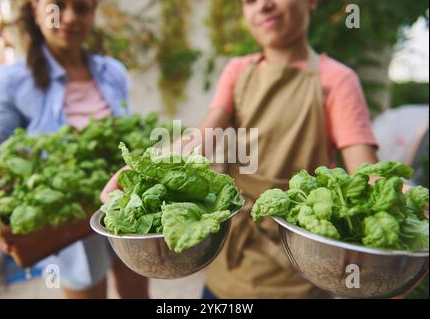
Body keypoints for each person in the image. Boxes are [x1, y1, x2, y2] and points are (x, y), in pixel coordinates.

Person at [102, 0, 383, 299]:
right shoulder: (237, 71)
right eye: (249, 1)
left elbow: (367, 173)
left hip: (299, 272)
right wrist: (147, 165)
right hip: (230, 267)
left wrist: (402, 200)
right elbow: (205, 136)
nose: (263, 6)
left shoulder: (337, 81)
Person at [0, 0, 148, 299]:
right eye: (58, 6)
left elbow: (131, 134)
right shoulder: (12, 81)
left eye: (82, 8)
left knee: (136, 290)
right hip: (69, 221)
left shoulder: (112, 72)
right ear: (35, 10)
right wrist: (2, 221)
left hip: (127, 204)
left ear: (93, 13)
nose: (69, 18)